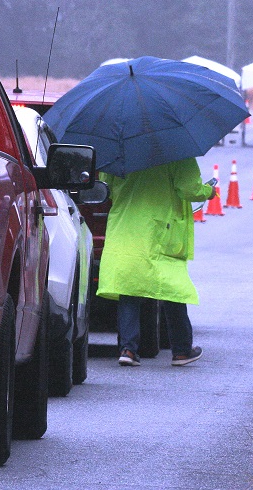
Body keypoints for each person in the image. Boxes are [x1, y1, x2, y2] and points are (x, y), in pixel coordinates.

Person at [98, 157, 216, 367]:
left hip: (126, 226)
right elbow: (190, 189)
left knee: (129, 287)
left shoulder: (119, 153)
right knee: (173, 290)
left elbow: (107, 188)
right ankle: (181, 351)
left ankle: (128, 349)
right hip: (162, 229)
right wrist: (208, 191)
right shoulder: (177, 152)